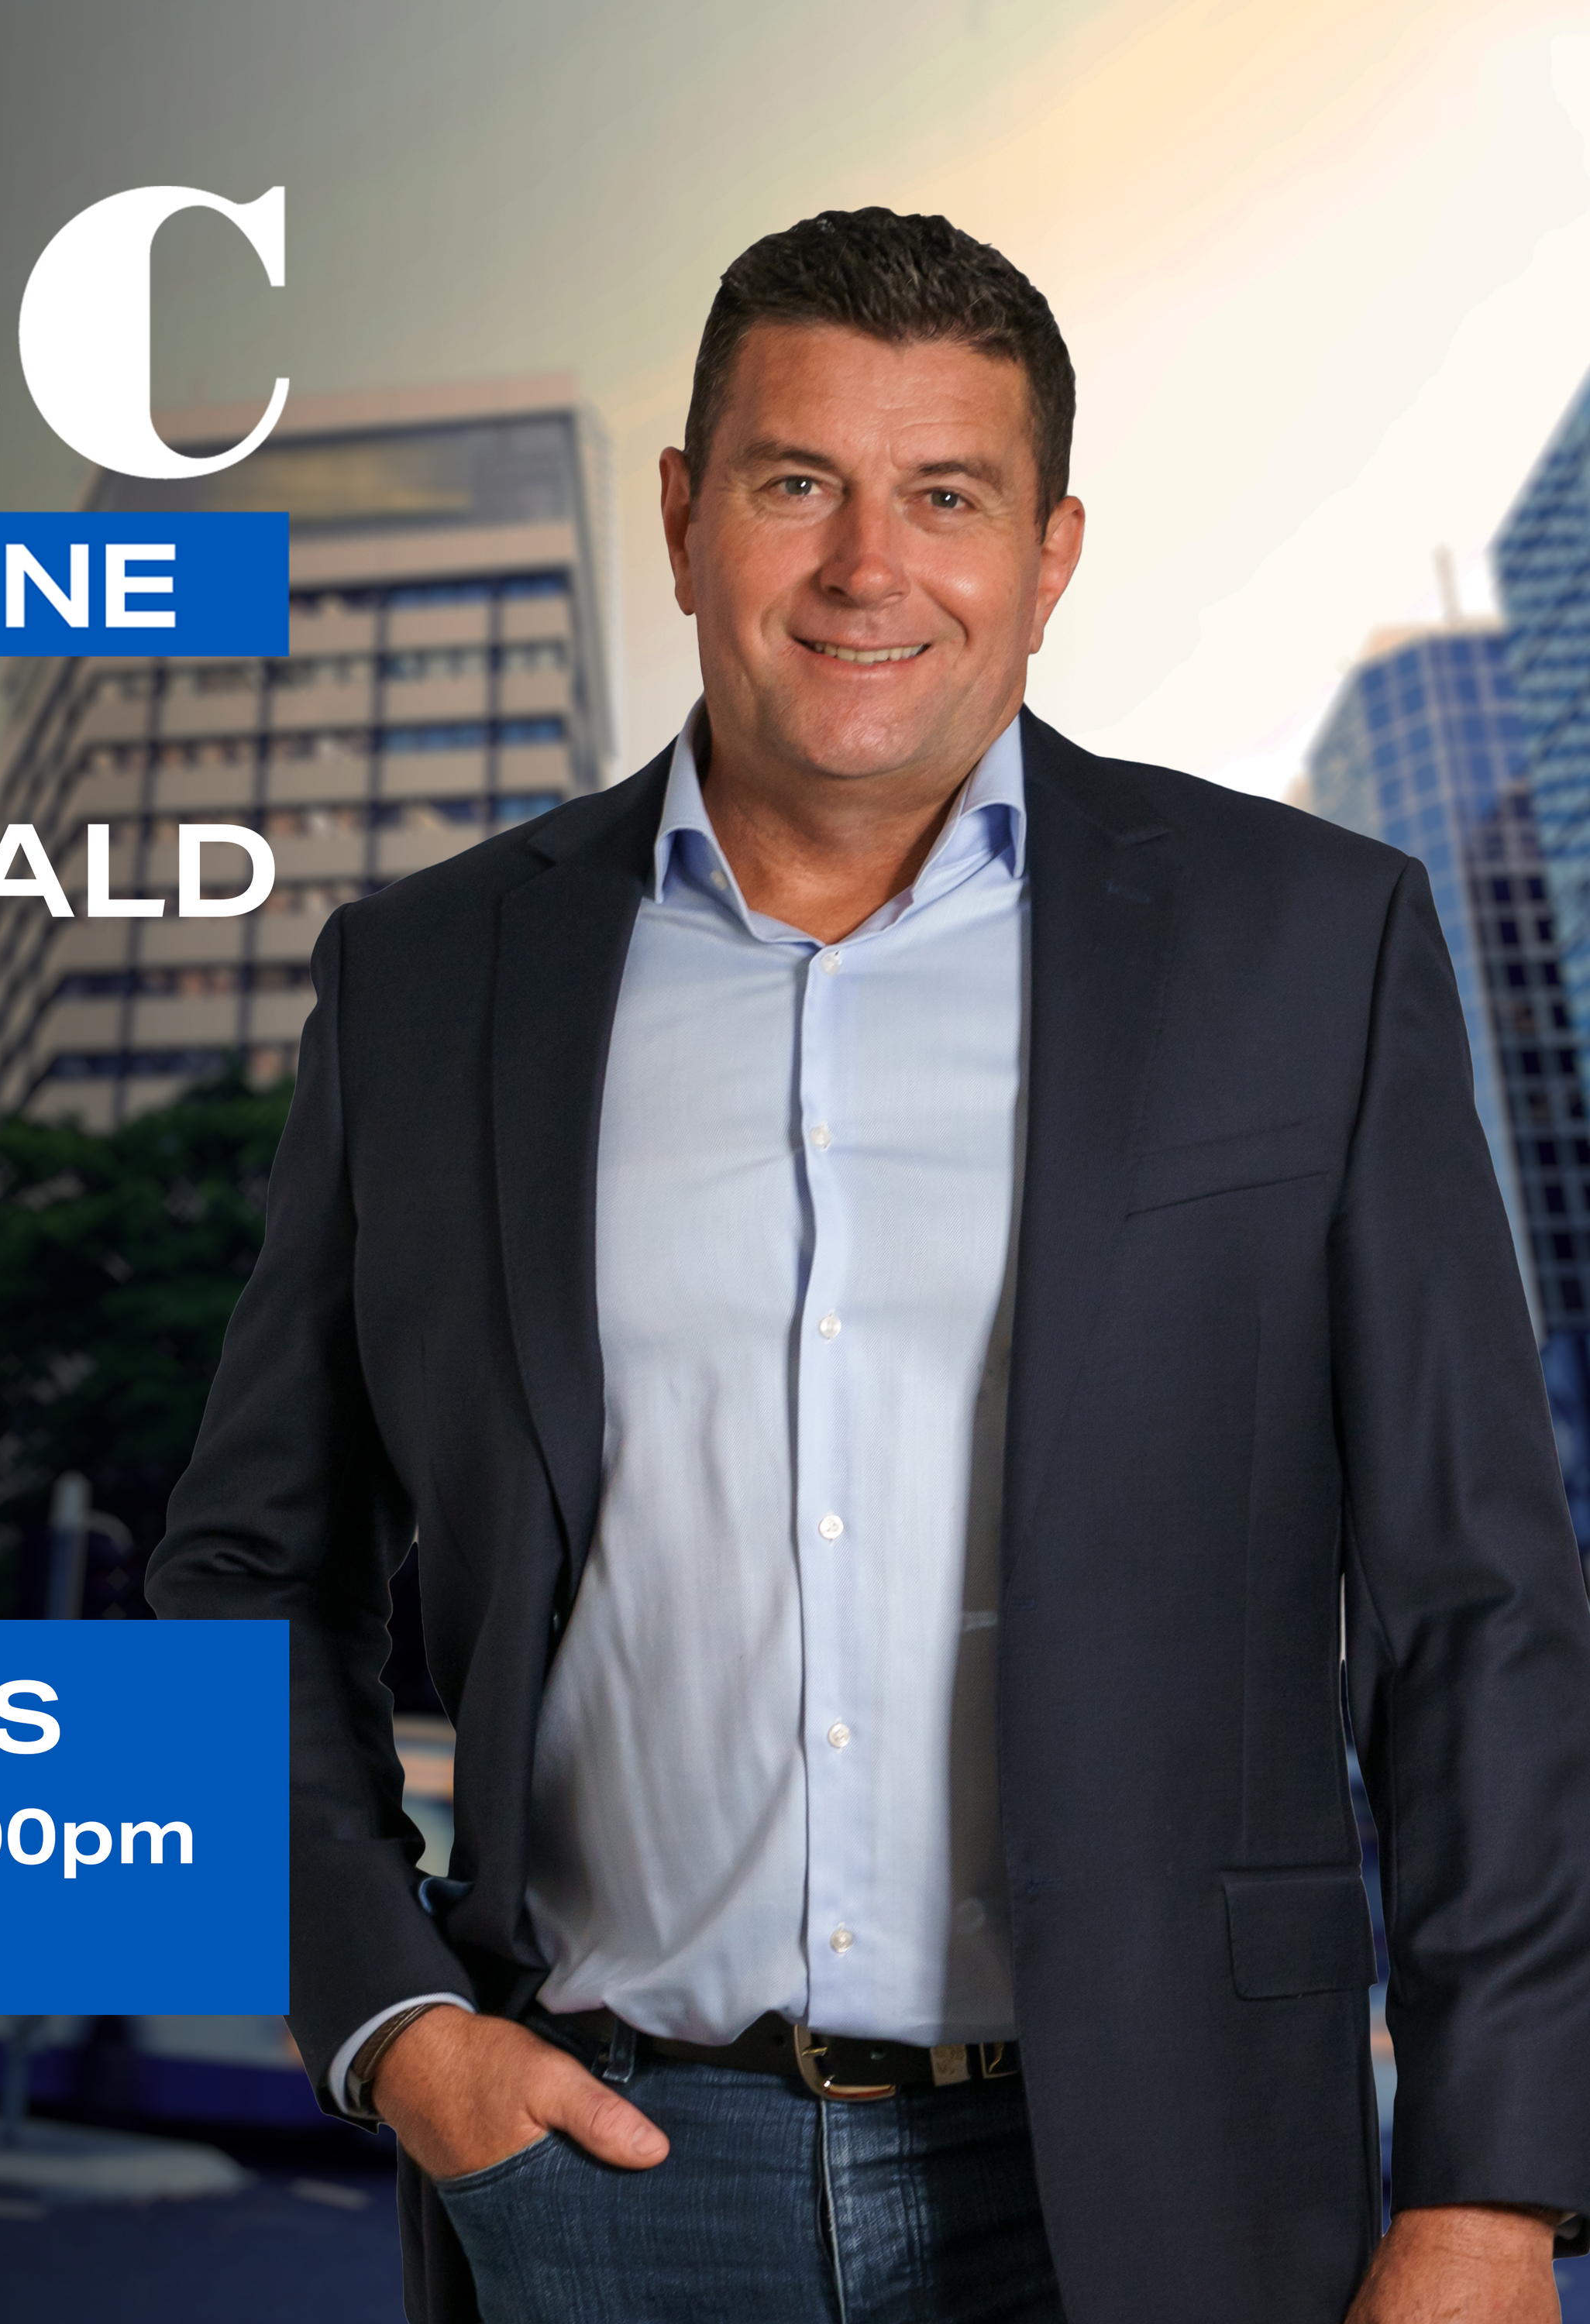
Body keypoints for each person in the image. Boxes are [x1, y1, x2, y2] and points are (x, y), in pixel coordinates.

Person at [148, 208, 1590, 2323]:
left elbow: (1478, 1604)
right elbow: (244, 1573)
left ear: (1051, 552)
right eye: (797, 481)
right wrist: (393, 2025)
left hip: (1167, 2185)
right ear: (685, 516)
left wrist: (1487, 2195)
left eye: (946, 496)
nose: (865, 569)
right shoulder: (428, 984)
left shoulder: (1311, 946)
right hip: (609, 2174)